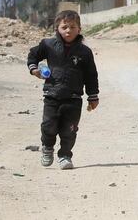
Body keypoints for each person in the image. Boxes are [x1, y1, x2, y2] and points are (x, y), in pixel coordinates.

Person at [27, 10, 99, 170]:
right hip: (52, 95)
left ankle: (65, 155)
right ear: (57, 29)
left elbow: (91, 75)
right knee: (48, 126)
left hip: (74, 98)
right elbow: (33, 55)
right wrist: (34, 69)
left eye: (73, 27)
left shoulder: (84, 52)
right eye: (64, 27)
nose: (68, 30)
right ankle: (47, 147)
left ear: (79, 29)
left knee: (70, 130)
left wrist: (93, 97)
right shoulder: (48, 45)